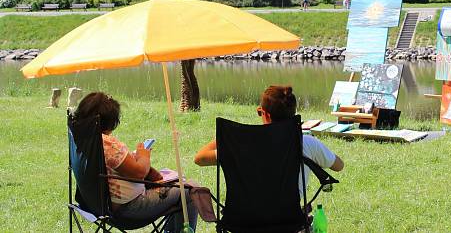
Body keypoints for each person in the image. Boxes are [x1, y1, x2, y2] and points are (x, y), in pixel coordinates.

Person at [73, 92, 198, 232]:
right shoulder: (107, 143)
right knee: (191, 190)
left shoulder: (81, 139)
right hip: (127, 210)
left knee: (177, 184)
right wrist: (143, 155)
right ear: (110, 121)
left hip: (94, 207)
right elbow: (139, 172)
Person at [194, 86, 344, 197]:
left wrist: (227, 136)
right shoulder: (307, 143)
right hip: (289, 220)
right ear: (293, 115)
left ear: (265, 114)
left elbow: (199, 158)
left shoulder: (243, 144)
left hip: (243, 222)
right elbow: (338, 165)